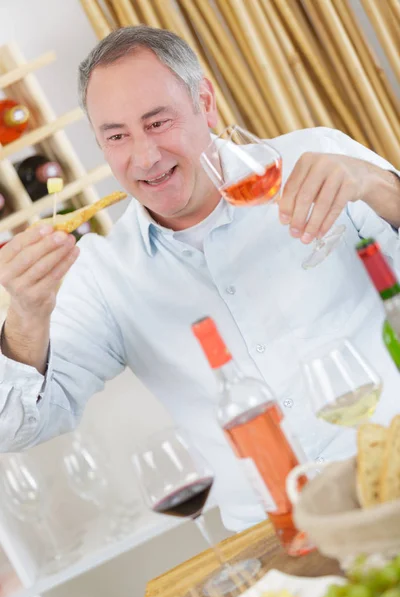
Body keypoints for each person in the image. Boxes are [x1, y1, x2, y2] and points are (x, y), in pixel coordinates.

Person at [0, 25, 399, 533]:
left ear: (205, 104)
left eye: (158, 122)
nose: (144, 157)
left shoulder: (315, 159)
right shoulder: (100, 273)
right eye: (117, 136)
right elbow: (14, 427)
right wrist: (27, 315)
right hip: (273, 538)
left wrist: (381, 188)